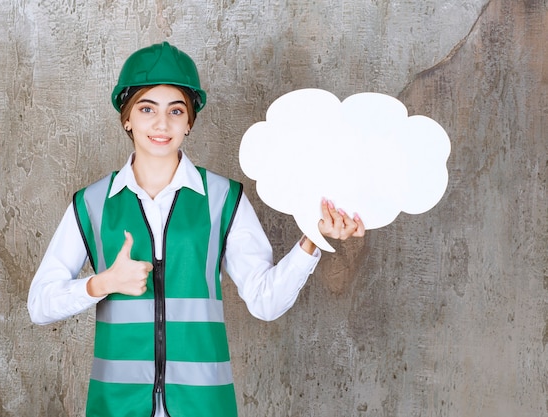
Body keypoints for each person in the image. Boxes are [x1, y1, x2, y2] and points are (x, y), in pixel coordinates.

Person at [28, 41, 365, 417]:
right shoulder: (90, 204)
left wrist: (311, 239)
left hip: (203, 406)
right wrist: (102, 283)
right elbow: (40, 305)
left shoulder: (224, 198)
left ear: (189, 121)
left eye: (176, 110)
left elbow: (265, 301)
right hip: (116, 406)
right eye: (146, 109)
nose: (161, 124)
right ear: (127, 118)